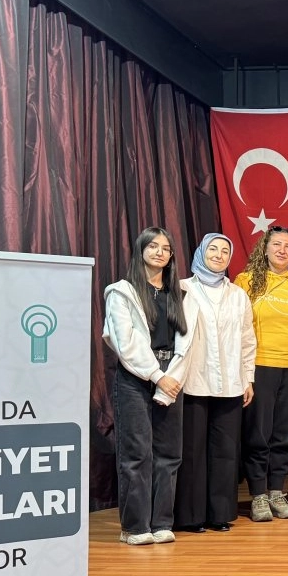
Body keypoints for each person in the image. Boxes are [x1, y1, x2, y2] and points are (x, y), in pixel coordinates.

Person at [102, 226, 195, 546]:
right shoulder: (122, 291)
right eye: (153, 246)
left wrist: (172, 376)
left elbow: (187, 341)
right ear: (141, 249)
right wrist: (157, 376)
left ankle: (161, 522)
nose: (160, 252)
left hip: (172, 375)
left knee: (168, 454)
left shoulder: (181, 293)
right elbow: (125, 342)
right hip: (136, 377)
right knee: (136, 453)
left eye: (166, 248)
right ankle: (134, 527)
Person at [174, 233, 256, 533]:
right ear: (201, 252)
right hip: (193, 380)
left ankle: (219, 514)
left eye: (225, 251)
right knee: (193, 451)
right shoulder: (182, 288)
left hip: (230, 383)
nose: (219, 255)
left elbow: (247, 339)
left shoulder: (238, 295)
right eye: (213, 249)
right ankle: (191, 516)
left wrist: (248, 378)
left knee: (225, 451)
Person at [235, 226, 288, 523]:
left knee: (284, 434)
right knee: (258, 433)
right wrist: (244, 374)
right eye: (277, 244)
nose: (282, 250)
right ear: (265, 249)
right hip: (259, 367)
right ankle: (258, 494)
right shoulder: (245, 282)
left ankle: (276, 492)